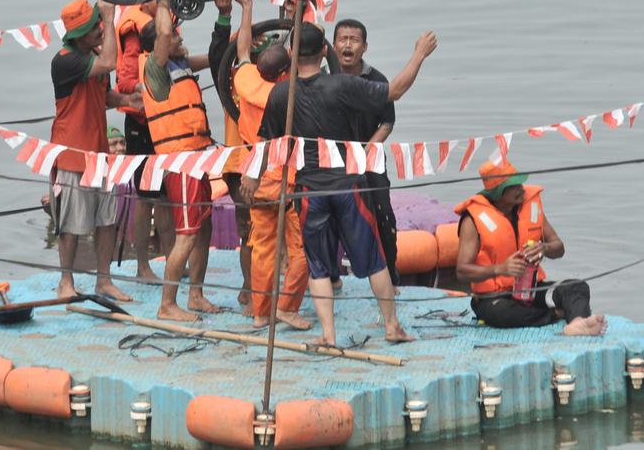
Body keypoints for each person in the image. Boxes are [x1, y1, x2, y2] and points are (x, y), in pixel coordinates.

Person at [246, 19, 437, 346]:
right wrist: (419, 54)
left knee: (319, 266)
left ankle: (328, 335)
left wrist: (253, 176)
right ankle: (392, 326)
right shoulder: (343, 85)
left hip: (310, 190)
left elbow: (266, 144)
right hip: (349, 186)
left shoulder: (280, 94)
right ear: (325, 50)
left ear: (291, 54)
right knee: (374, 259)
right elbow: (394, 91)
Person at [138, 0, 223, 321]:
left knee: (204, 228)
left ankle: (196, 295)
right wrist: (162, 2)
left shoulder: (181, 65)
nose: (180, 37)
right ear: (159, 45)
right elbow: (162, 34)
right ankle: (167, 305)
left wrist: (226, 15)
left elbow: (217, 57)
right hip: (180, 162)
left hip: (199, 158)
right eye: (175, 35)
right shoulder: (155, 69)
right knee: (186, 235)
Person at [50, 0, 138, 303]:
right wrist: (110, 18)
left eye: (99, 25)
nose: (100, 30)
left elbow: (103, 95)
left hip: (99, 153)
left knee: (106, 219)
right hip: (72, 154)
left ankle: (104, 280)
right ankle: (65, 281)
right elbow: (110, 62)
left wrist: (127, 100)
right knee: (70, 224)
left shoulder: (93, 56)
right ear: (78, 36)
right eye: (94, 28)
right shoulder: (65, 61)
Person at [454, 159, 606, 335]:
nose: (522, 189)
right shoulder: (472, 220)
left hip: (532, 290)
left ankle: (578, 322)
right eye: (514, 186)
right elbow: (462, 271)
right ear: (498, 192)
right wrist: (500, 269)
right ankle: (556, 314)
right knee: (502, 314)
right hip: (494, 298)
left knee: (576, 286)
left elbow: (559, 248)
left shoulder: (531, 207)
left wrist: (544, 248)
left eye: (520, 183)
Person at [233, 0, 310, 330]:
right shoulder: (287, 95)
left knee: (262, 249)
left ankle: (260, 313)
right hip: (285, 179)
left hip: (253, 177)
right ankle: (287, 307)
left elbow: (242, 50)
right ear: (284, 72)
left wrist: (247, 9)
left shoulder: (245, 79)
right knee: (302, 249)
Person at [114, 0, 174, 281]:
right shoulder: (135, 32)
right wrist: (148, 86)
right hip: (140, 124)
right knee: (146, 197)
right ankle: (142, 266)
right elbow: (124, 82)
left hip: (163, 120)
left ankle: (173, 259)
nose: (165, 3)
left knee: (165, 196)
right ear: (146, 0)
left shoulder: (161, 22)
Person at [333, 18, 400, 288]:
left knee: (384, 216)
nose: (348, 45)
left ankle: (391, 277)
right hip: (332, 160)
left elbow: (387, 123)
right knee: (329, 216)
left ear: (365, 47)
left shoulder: (377, 80)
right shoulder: (325, 78)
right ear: (334, 45)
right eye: (343, 39)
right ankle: (332, 276)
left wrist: (365, 150)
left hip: (370, 158)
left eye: (354, 40)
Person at [206, 0, 254, 307]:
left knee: (276, 228)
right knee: (247, 228)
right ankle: (250, 286)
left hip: (272, 162)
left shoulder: (269, 82)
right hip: (238, 164)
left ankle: (273, 285)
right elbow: (217, 53)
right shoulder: (229, 79)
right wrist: (225, 16)